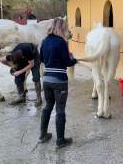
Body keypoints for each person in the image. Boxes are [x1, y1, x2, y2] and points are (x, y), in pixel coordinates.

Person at [39, 18, 77, 149]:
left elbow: (42, 59)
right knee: (60, 109)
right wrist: (73, 60)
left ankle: (43, 135)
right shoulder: (62, 42)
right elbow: (67, 63)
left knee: (48, 106)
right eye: (65, 28)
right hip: (59, 81)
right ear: (61, 28)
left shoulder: (44, 41)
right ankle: (60, 140)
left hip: (46, 80)